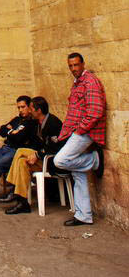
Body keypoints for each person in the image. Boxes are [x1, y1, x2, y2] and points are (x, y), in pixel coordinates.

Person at [53, 52, 106, 226]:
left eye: (76, 65)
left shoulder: (90, 82)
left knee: (60, 161)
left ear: (83, 64)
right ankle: (84, 215)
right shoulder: (77, 83)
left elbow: (95, 111)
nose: (74, 69)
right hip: (77, 131)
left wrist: (79, 130)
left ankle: (95, 160)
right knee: (78, 173)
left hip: (86, 132)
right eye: (71, 66)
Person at [2, 96, 64, 214]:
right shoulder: (39, 123)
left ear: (38, 110)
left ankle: (14, 186)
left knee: (20, 152)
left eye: (31, 108)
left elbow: (56, 147)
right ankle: (22, 202)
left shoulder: (53, 123)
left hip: (52, 161)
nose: (29, 111)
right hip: (43, 157)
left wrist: (38, 155)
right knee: (21, 161)